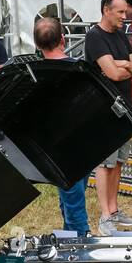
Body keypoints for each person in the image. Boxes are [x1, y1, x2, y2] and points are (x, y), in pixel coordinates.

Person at [86, 0, 132, 234]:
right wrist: (122, 66)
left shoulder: (120, 35)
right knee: (105, 164)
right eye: (120, 12)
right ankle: (105, 216)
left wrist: (124, 64)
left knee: (118, 162)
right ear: (106, 10)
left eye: (126, 11)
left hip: (125, 108)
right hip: (104, 109)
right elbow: (113, 74)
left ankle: (114, 209)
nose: (126, 16)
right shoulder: (95, 37)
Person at [33, 16, 91, 236]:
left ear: (37, 44)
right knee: (73, 196)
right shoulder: (80, 69)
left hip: (55, 144)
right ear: (63, 39)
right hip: (83, 140)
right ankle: (77, 239)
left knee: (71, 197)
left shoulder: (34, 73)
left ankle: (74, 238)